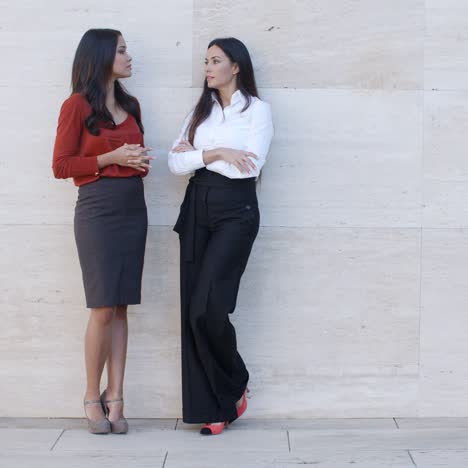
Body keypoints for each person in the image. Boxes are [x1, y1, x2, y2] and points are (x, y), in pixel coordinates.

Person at [168, 37, 274, 435]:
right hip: (197, 210)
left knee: (208, 309)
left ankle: (236, 381)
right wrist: (216, 153)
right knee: (191, 314)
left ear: (236, 67)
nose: (208, 68)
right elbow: (175, 163)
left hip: (236, 212)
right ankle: (214, 408)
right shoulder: (201, 110)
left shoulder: (258, 111)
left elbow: (249, 166)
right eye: (206, 61)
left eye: (216, 61)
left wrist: (199, 152)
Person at [52, 28, 152, 434]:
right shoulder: (76, 105)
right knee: (102, 306)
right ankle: (91, 397)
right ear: (101, 57)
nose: (130, 57)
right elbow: (61, 166)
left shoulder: (132, 104)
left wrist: (139, 161)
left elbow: (137, 159)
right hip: (96, 210)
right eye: (123, 51)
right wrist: (111, 156)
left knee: (123, 305)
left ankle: (117, 398)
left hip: (132, 205)